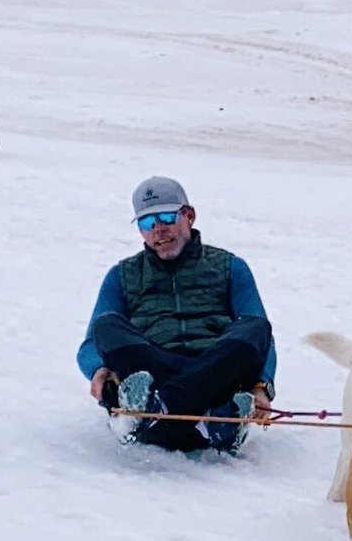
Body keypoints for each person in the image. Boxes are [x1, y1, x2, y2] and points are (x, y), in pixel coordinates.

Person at [77, 176, 277, 455]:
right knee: (107, 325)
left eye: (167, 217)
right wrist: (99, 370)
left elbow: (260, 336)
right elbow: (90, 345)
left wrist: (261, 386)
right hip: (160, 376)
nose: (158, 229)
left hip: (215, 374)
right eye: (147, 222)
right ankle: (214, 420)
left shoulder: (230, 267)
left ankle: (160, 408)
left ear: (189, 216)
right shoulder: (121, 275)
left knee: (256, 327)